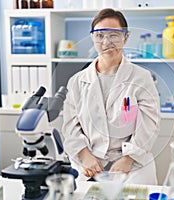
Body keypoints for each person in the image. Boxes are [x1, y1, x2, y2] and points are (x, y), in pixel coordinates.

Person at [62, 8, 160, 185]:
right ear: (92, 37)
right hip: (89, 160)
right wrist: (85, 156)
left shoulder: (142, 78)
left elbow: (149, 125)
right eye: (99, 35)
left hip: (131, 160)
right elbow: (70, 126)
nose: (106, 42)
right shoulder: (77, 81)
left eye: (114, 35)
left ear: (126, 37)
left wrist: (128, 158)